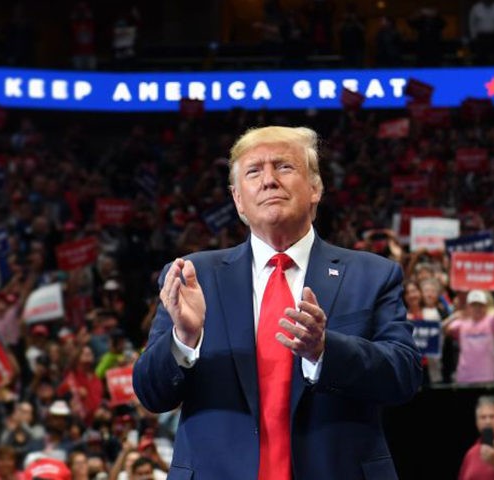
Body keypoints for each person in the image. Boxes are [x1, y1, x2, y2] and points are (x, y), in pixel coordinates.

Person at [133, 125, 422, 479]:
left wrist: (324, 350)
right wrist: (184, 338)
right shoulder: (194, 276)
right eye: (254, 172)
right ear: (238, 199)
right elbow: (151, 394)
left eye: (284, 167)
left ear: (315, 187)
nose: (269, 180)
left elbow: (404, 376)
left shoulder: (373, 274)